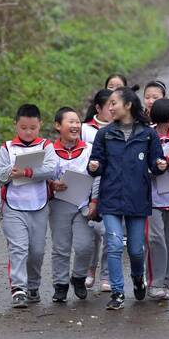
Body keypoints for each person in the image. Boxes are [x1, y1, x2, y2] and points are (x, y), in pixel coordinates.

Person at [88, 87, 168, 310]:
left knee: (135, 249)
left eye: (114, 103)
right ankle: (118, 292)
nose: (110, 107)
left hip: (137, 198)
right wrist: (94, 166)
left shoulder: (147, 134)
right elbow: (96, 164)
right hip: (111, 198)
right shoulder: (104, 134)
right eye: (109, 104)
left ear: (128, 105)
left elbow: (156, 163)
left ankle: (137, 277)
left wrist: (160, 166)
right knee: (113, 244)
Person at [0, 104, 57, 308]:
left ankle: (33, 285)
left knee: (37, 251)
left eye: (32, 127)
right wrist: (10, 173)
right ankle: (18, 288)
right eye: (23, 128)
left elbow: (51, 169)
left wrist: (28, 172)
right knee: (18, 248)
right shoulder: (7, 147)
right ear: (15, 125)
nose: (28, 132)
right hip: (14, 206)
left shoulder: (46, 146)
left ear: (40, 126)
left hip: (38, 205)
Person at [49, 107, 99, 302]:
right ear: (58, 126)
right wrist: (52, 184)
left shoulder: (89, 149)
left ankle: (78, 277)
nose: (75, 125)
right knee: (61, 246)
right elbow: (43, 175)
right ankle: (60, 284)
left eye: (78, 122)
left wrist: (95, 201)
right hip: (59, 203)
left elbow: (98, 176)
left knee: (85, 245)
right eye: (70, 122)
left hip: (83, 204)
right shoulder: (49, 150)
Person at [145, 98, 169, 300]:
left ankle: (168, 280)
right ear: (167, 118)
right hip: (151, 196)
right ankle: (155, 282)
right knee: (154, 238)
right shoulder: (146, 135)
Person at [82, 89, 112, 291]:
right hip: (86, 182)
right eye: (109, 105)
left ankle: (107, 275)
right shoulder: (84, 128)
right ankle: (89, 269)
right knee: (91, 231)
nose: (113, 109)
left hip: (110, 185)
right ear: (98, 108)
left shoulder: (124, 127)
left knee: (111, 231)